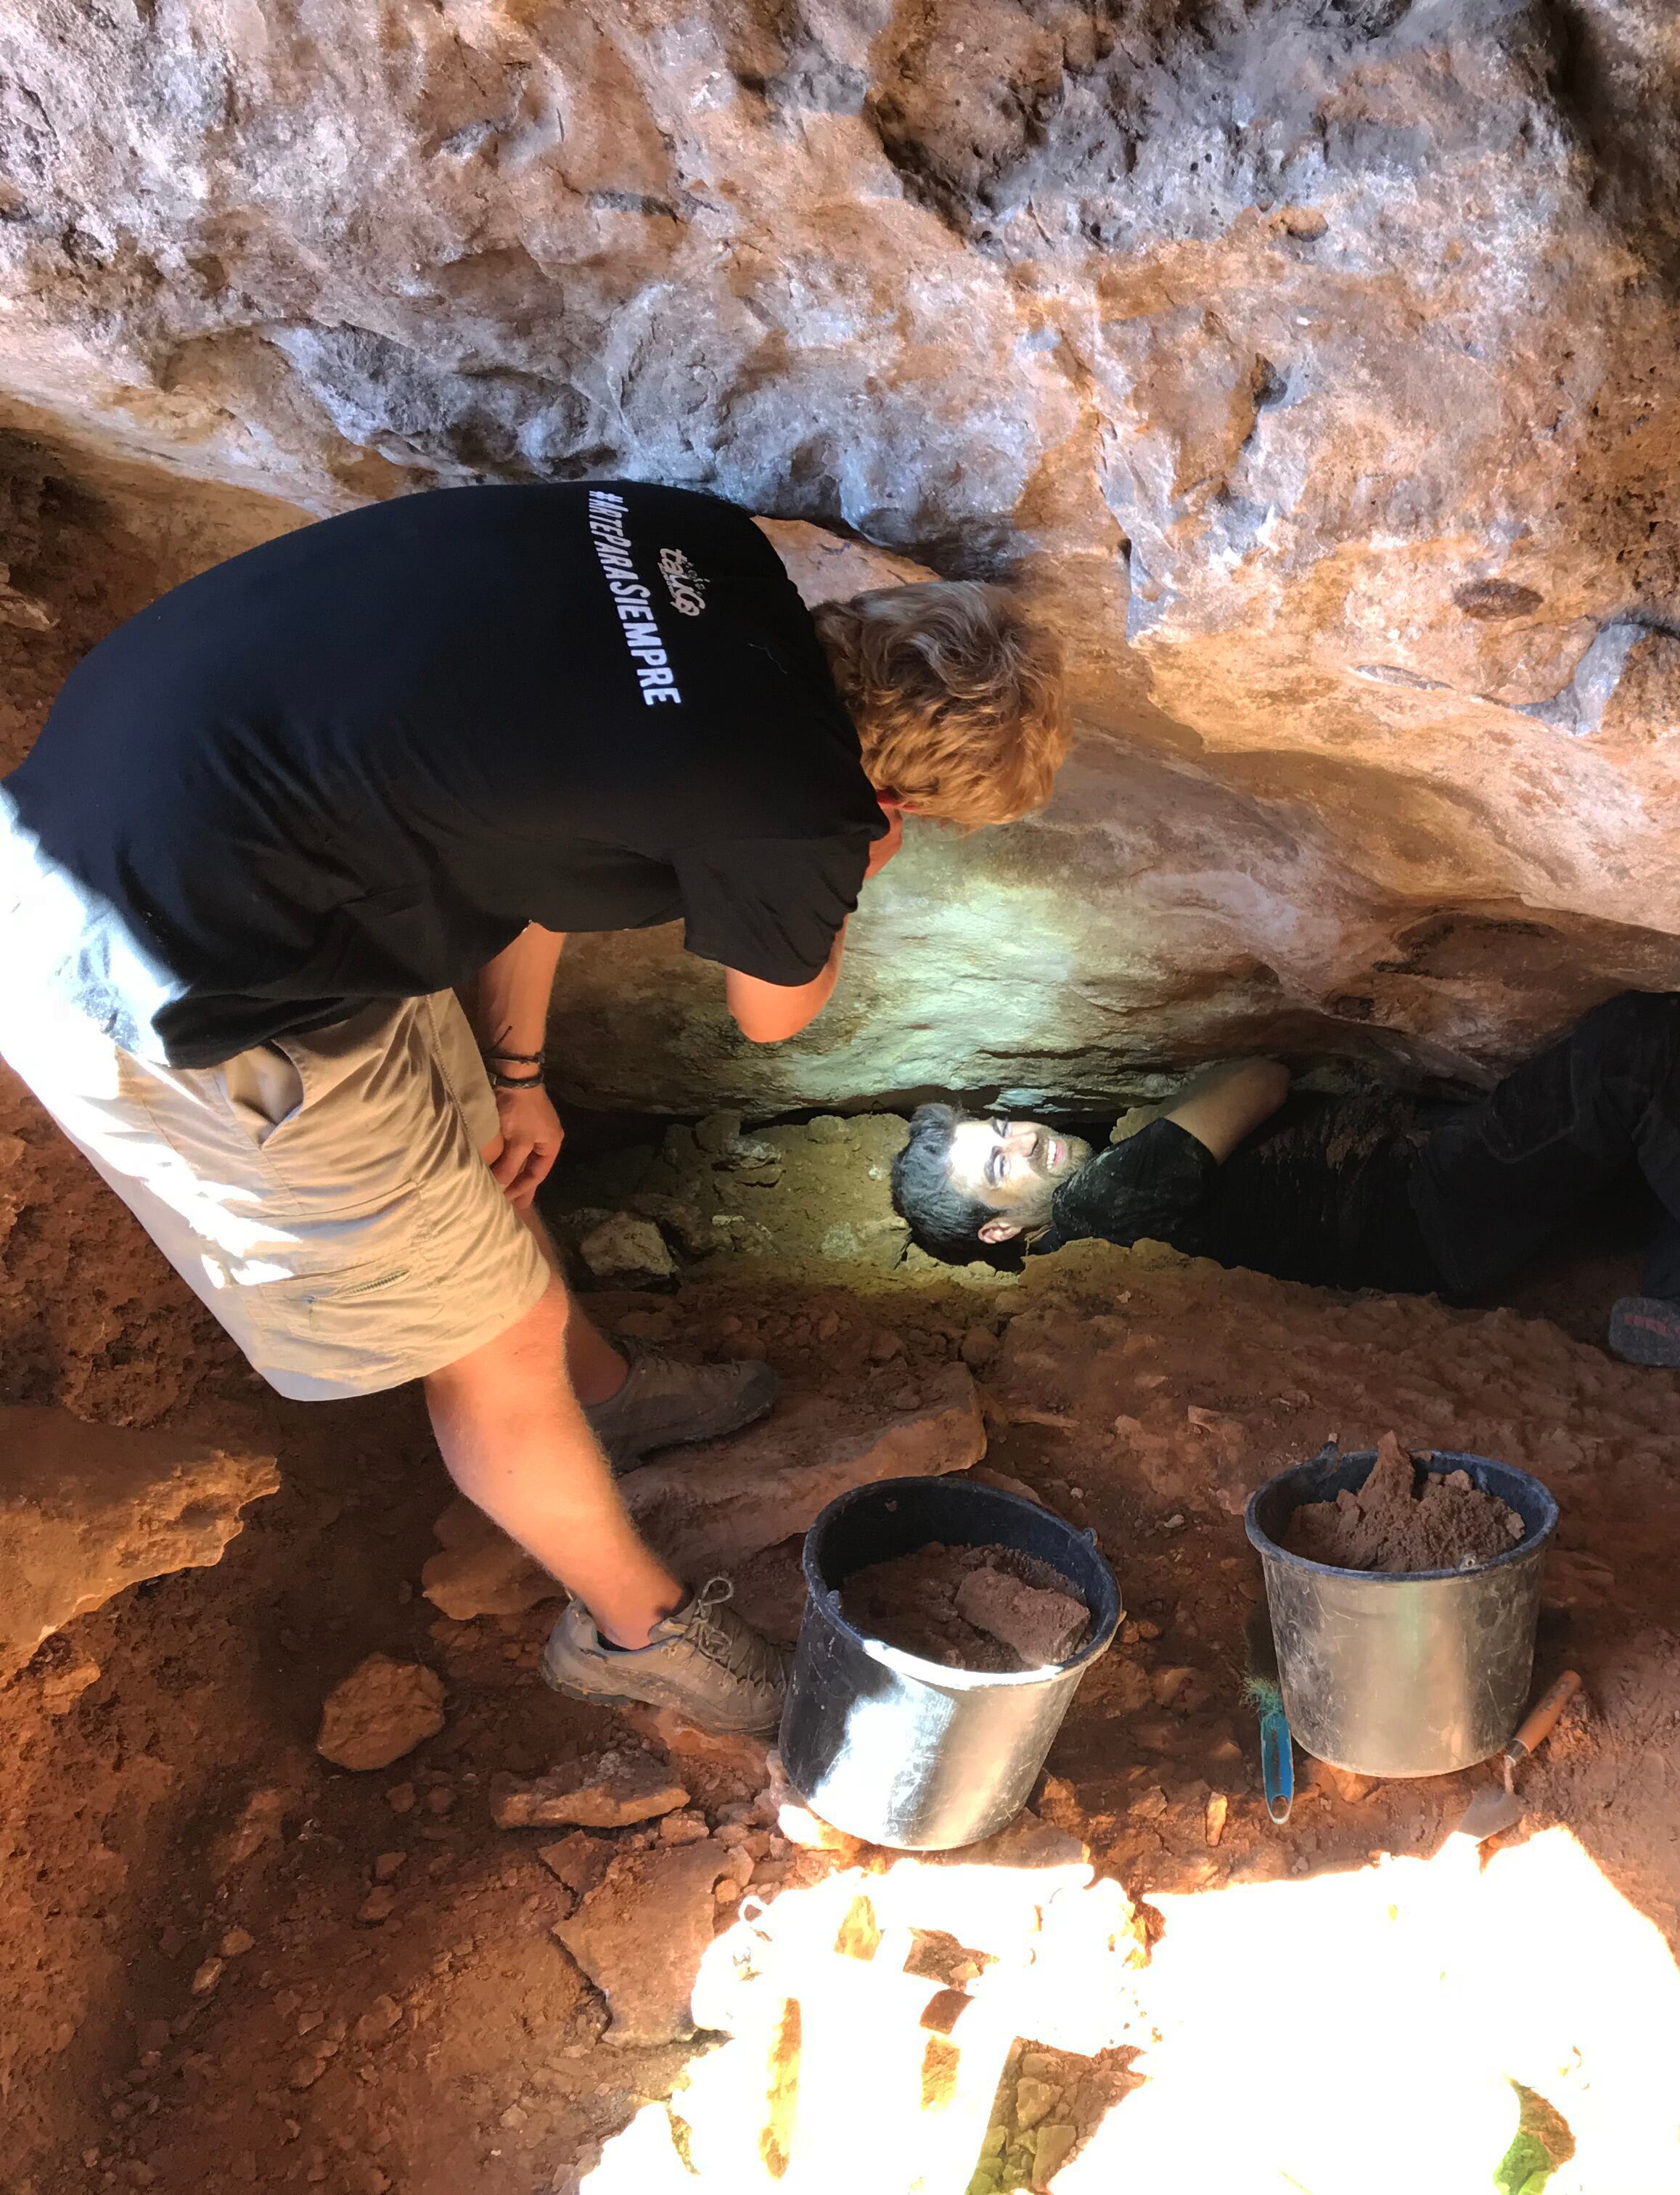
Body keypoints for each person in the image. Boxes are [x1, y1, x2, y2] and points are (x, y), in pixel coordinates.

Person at [0, 482, 1068, 1735]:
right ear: (908, 797)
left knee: (469, 1161)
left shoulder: (699, 550)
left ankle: (605, 1400)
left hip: (191, 823)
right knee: (487, 1354)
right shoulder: (802, 804)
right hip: (170, 1002)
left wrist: (518, 1072)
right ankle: (633, 1634)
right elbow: (774, 1013)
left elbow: (543, 849)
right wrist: (851, 864)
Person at [892, 991, 1680, 1386]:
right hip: (1422, 1201)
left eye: (1004, 1127)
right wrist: (1158, 1117)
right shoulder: (1100, 1208)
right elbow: (1259, 1079)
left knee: (1654, 1155)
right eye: (1001, 1166)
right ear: (997, 1236)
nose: (1026, 1141)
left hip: (1418, 1219)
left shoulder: (1109, 1228)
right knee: (1638, 1050)